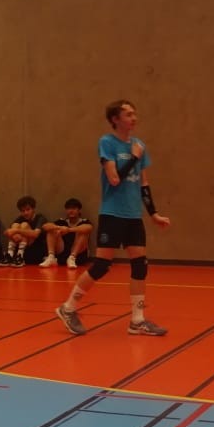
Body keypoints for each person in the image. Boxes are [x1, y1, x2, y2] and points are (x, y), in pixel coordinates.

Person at [55, 99, 171, 336]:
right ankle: (68, 308)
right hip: (112, 213)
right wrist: (133, 158)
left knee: (140, 264)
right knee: (102, 265)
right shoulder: (107, 143)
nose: (133, 118)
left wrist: (154, 213)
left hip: (133, 215)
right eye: (128, 114)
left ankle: (137, 320)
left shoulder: (139, 145)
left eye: (134, 113)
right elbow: (114, 179)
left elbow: (144, 184)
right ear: (115, 119)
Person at [40, 198, 94, 269]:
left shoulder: (84, 221)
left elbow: (89, 228)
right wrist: (58, 227)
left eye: (74, 208)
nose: (71, 211)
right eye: (68, 208)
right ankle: (51, 256)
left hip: (78, 257)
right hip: (62, 254)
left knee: (83, 231)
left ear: (79, 210)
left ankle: (72, 258)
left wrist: (69, 230)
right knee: (52, 230)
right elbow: (45, 226)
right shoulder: (62, 221)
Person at [0, 196, 48, 267]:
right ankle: (10, 255)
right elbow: (7, 232)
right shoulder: (20, 218)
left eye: (28, 209)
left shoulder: (40, 218)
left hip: (36, 251)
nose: (25, 213)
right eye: (23, 211)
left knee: (24, 225)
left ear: (33, 209)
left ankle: (20, 255)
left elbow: (35, 234)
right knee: (15, 225)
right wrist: (17, 235)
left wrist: (17, 231)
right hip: (23, 250)